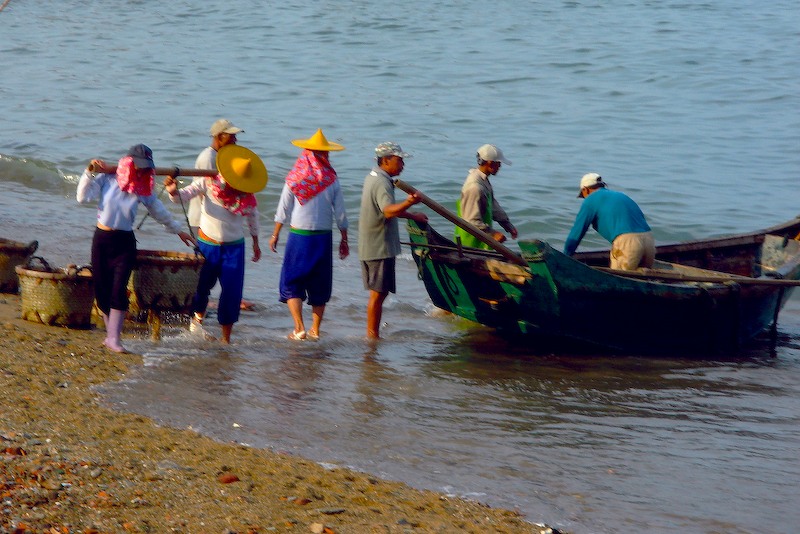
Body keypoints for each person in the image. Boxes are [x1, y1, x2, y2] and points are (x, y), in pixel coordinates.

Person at [77, 144, 195, 353]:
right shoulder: (107, 178)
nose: (141, 170)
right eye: (138, 166)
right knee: (102, 290)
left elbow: (159, 211)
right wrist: (88, 172)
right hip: (102, 239)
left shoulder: (143, 187)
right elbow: (82, 197)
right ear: (129, 162)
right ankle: (109, 335)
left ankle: (115, 339)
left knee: (118, 289)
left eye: (145, 167)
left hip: (125, 242)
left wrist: (179, 231)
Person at [164, 144, 266, 343]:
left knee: (232, 291)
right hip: (207, 245)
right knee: (202, 287)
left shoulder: (247, 196)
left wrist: (255, 243)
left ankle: (226, 338)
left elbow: (253, 220)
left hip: (234, 248)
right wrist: (172, 191)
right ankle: (197, 324)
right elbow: (182, 198)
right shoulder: (208, 182)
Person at [270, 128, 349, 341]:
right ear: (321, 155)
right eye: (326, 153)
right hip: (322, 238)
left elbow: (283, 209)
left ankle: (299, 328)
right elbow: (340, 212)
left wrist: (275, 234)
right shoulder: (332, 179)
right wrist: (344, 238)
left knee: (292, 282)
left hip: (299, 237)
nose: (328, 156)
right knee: (320, 283)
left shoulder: (295, 178)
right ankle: (315, 329)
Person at [358, 141, 428, 339]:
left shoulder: (373, 177)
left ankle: (373, 335)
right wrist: (410, 201)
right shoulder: (382, 181)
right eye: (399, 160)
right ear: (386, 160)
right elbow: (388, 211)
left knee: (378, 293)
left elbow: (385, 209)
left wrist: (413, 215)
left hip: (370, 243)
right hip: (379, 246)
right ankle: (372, 337)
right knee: (378, 294)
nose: (402, 165)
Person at [189, 118, 255, 311]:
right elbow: (206, 190)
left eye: (235, 137)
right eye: (231, 137)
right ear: (219, 137)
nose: (235, 141)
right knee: (204, 271)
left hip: (212, 219)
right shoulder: (209, 157)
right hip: (202, 219)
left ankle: (210, 305)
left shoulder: (221, 156)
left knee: (214, 271)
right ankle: (198, 310)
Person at [564, 172, 655, 271]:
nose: (584, 198)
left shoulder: (590, 200)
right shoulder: (621, 196)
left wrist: (565, 256)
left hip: (628, 244)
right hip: (649, 242)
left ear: (585, 189)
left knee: (619, 280)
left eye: (583, 195)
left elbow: (577, 231)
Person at [455, 144, 518, 250]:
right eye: (498, 163)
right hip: (470, 242)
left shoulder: (483, 180)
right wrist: (493, 234)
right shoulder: (475, 187)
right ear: (490, 163)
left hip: (481, 241)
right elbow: (471, 221)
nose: (500, 167)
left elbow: (492, 205)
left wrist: (507, 224)